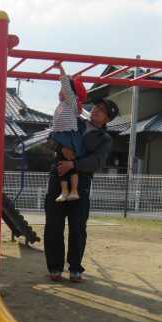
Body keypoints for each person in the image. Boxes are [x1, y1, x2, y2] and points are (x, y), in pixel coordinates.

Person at [44, 98, 119, 283]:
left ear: (107, 119)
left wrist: (74, 164)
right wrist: (61, 148)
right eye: (96, 107)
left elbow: (96, 162)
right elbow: (51, 138)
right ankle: (54, 267)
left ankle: (75, 269)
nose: (96, 110)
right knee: (53, 224)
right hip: (59, 175)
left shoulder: (104, 139)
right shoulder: (74, 121)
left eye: (102, 111)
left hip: (81, 181)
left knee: (77, 227)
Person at [50, 62, 87, 202]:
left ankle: (74, 190)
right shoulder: (62, 104)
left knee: (70, 162)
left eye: (63, 90)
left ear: (71, 93)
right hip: (60, 137)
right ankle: (64, 192)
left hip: (69, 136)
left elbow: (65, 84)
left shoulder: (71, 102)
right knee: (60, 164)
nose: (61, 92)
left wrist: (61, 69)